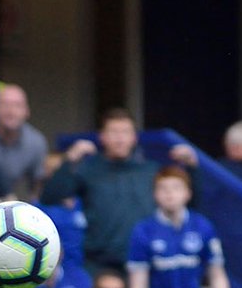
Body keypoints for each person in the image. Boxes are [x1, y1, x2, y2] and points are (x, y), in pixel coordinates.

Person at [40, 107, 161, 276]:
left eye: (125, 132)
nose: (119, 139)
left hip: (144, 263)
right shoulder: (88, 169)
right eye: (113, 132)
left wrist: (193, 170)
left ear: (134, 138)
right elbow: (50, 196)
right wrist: (70, 159)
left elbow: (184, 202)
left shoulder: (151, 171)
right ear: (102, 137)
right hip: (99, 265)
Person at [124, 165, 231, 288]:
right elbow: (138, 286)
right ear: (154, 194)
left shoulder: (202, 226)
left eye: (176, 187)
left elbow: (217, 276)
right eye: (163, 188)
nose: (169, 193)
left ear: (188, 193)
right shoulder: (143, 230)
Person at [0, 84, 49, 200]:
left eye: (17, 106)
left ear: (27, 111)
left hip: (12, 202)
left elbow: (37, 186)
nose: (11, 111)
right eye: (5, 105)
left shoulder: (35, 142)